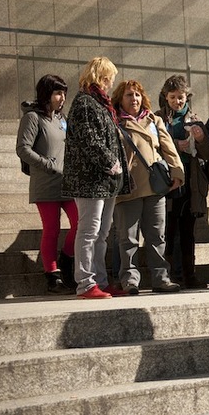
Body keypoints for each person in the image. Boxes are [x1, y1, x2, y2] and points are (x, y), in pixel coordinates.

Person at [62, 57, 130, 300]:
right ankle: (85, 283)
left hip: (104, 180)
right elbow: (89, 139)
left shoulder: (100, 104)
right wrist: (111, 162)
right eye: (110, 78)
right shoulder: (85, 102)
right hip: (90, 179)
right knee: (89, 231)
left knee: (101, 233)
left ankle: (99, 280)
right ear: (102, 77)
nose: (111, 83)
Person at [112, 80, 184, 296]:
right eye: (128, 95)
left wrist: (177, 172)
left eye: (137, 94)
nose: (134, 99)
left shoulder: (154, 119)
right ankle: (130, 280)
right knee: (128, 238)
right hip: (129, 187)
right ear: (119, 99)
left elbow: (168, 147)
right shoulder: (114, 122)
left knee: (156, 236)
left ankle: (161, 278)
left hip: (155, 187)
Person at [16, 74, 78, 294]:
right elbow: (23, 148)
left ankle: (67, 259)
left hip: (68, 183)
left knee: (80, 223)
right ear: (46, 94)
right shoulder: (33, 118)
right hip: (46, 183)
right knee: (51, 229)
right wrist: (47, 164)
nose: (62, 98)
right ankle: (53, 277)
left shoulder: (62, 119)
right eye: (57, 93)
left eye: (64, 93)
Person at [157, 75, 209, 289]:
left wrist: (200, 140)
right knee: (169, 229)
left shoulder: (195, 120)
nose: (177, 102)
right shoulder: (158, 118)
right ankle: (170, 275)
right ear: (166, 97)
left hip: (191, 180)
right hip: (169, 181)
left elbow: (207, 154)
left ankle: (190, 275)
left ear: (186, 97)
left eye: (180, 97)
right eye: (172, 98)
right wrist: (172, 144)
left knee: (188, 230)